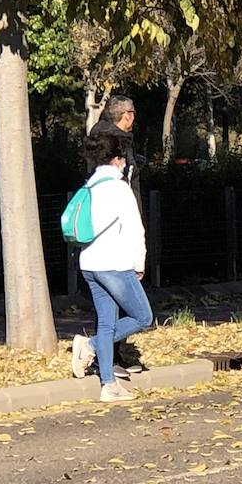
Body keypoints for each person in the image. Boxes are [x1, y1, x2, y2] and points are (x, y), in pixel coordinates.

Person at [70, 126, 152, 402]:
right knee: (143, 317)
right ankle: (90, 345)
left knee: (106, 323)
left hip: (89, 262)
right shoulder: (120, 188)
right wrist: (139, 262)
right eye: (125, 158)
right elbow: (135, 229)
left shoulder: (89, 185)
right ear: (118, 160)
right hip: (114, 263)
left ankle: (108, 385)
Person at [89, 95, 140, 200]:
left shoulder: (98, 140)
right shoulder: (120, 145)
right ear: (126, 115)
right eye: (133, 112)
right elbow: (128, 179)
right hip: (122, 209)